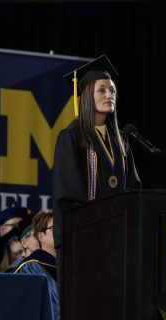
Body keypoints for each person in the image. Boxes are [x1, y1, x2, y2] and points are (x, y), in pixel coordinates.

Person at [52, 54, 142, 293]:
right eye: (101, 90)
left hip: (118, 242)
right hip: (83, 242)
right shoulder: (71, 137)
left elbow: (134, 189)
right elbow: (67, 197)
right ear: (84, 97)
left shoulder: (121, 141)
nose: (109, 95)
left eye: (112, 91)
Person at [14, 209, 59, 320]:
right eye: (54, 228)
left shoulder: (69, 264)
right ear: (40, 236)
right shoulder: (31, 267)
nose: (60, 231)